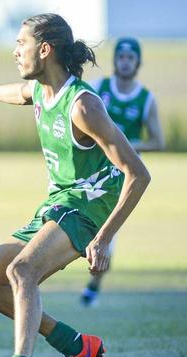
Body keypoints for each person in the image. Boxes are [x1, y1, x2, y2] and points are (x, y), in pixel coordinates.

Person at [0, 13, 150, 357]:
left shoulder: (83, 105)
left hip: (88, 206)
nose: (15, 52)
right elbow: (18, 93)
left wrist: (104, 238)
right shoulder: (41, 91)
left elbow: (138, 174)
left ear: (44, 50)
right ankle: (74, 345)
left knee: (21, 271)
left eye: (20, 43)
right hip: (59, 204)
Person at [80, 37, 164, 306]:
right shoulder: (98, 89)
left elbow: (158, 141)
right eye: (121, 57)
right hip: (92, 170)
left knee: (107, 233)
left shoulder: (145, 98)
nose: (125, 62)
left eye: (131, 58)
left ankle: (94, 283)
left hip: (122, 176)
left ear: (137, 62)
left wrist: (124, 144)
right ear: (115, 60)